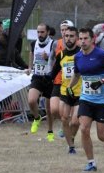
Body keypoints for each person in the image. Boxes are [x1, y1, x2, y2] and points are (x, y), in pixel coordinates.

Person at [68, 28, 104, 171]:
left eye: (85, 38)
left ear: (92, 39)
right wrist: (69, 87)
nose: (82, 41)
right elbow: (77, 74)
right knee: (84, 129)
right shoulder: (78, 57)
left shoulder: (101, 55)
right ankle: (91, 163)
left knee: (103, 137)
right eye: (80, 39)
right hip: (86, 99)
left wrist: (101, 81)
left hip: (102, 100)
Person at [50, 26, 81, 154]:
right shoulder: (61, 54)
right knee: (64, 119)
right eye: (66, 36)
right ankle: (71, 147)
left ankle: (71, 138)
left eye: (71, 36)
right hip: (64, 92)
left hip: (79, 92)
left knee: (75, 121)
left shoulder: (81, 54)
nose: (68, 38)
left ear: (77, 38)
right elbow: (53, 73)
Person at [28, 23, 57, 141]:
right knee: (31, 100)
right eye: (38, 32)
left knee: (49, 109)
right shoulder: (34, 43)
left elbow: (57, 62)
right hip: (37, 77)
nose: (40, 35)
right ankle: (37, 117)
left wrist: (48, 58)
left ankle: (50, 132)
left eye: (42, 32)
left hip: (49, 78)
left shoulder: (53, 44)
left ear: (48, 32)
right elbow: (32, 55)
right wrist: (29, 67)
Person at [51, 19, 74, 138]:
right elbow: (52, 60)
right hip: (58, 79)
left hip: (72, 82)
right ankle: (65, 123)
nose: (64, 32)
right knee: (54, 109)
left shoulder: (77, 45)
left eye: (66, 29)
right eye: (62, 30)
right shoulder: (56, 43)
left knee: (69, 108)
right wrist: (51, 74)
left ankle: (67, 125)